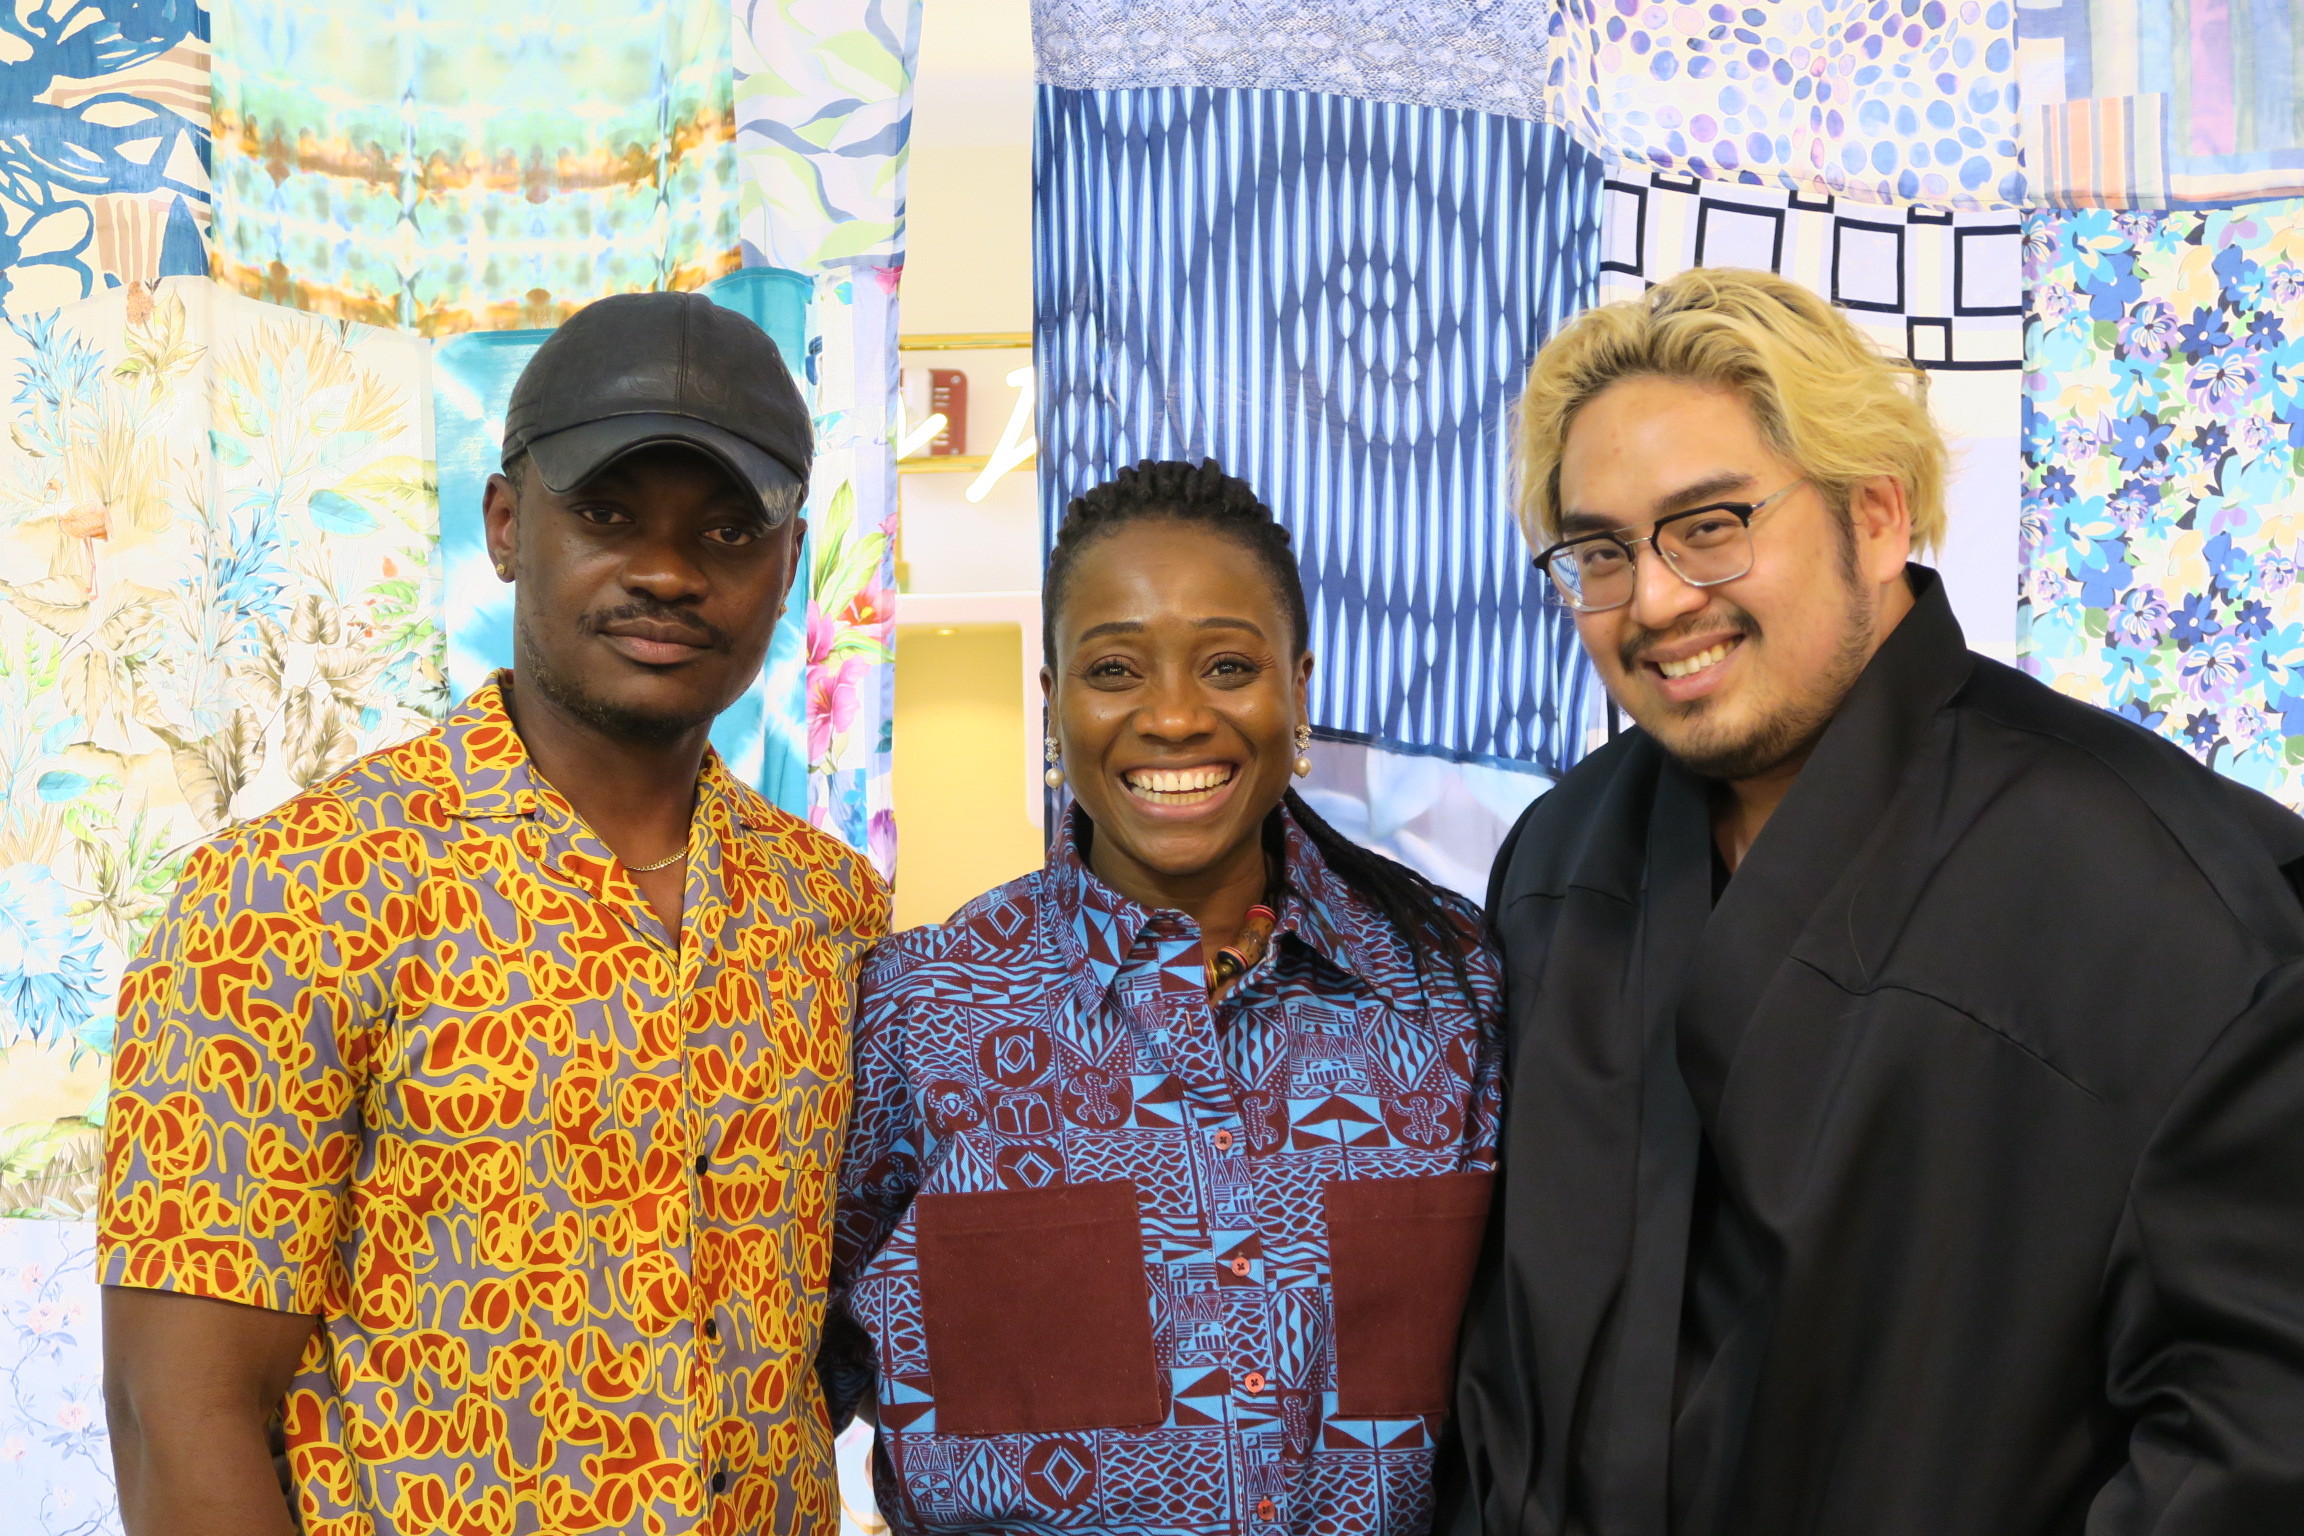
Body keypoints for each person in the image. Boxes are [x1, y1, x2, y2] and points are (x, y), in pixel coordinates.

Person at [1435, 266, 2304, 1536]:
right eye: (1602, 552)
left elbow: (2256, 1435)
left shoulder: (2175, 903)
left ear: (1878, 514)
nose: (1659, 598)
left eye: (1712, 523)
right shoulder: (1561, 862)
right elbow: (1502, 1361)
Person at [98, 291, 889, 1536]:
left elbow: (819, 1348)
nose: (669, 572)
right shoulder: (290, 896)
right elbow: (174, 1416)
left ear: (787, 569)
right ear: (509, 526)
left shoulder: (836, 911)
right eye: (609, 514)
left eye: (729, 530)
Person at [828, 459, 1503, 1535]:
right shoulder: (926, 1013)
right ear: (1053, 703)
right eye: (1115, 670)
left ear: (1300, 689)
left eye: (1230, 665)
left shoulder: (1451, 991)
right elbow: (784, 1374)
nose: (1177, 718)